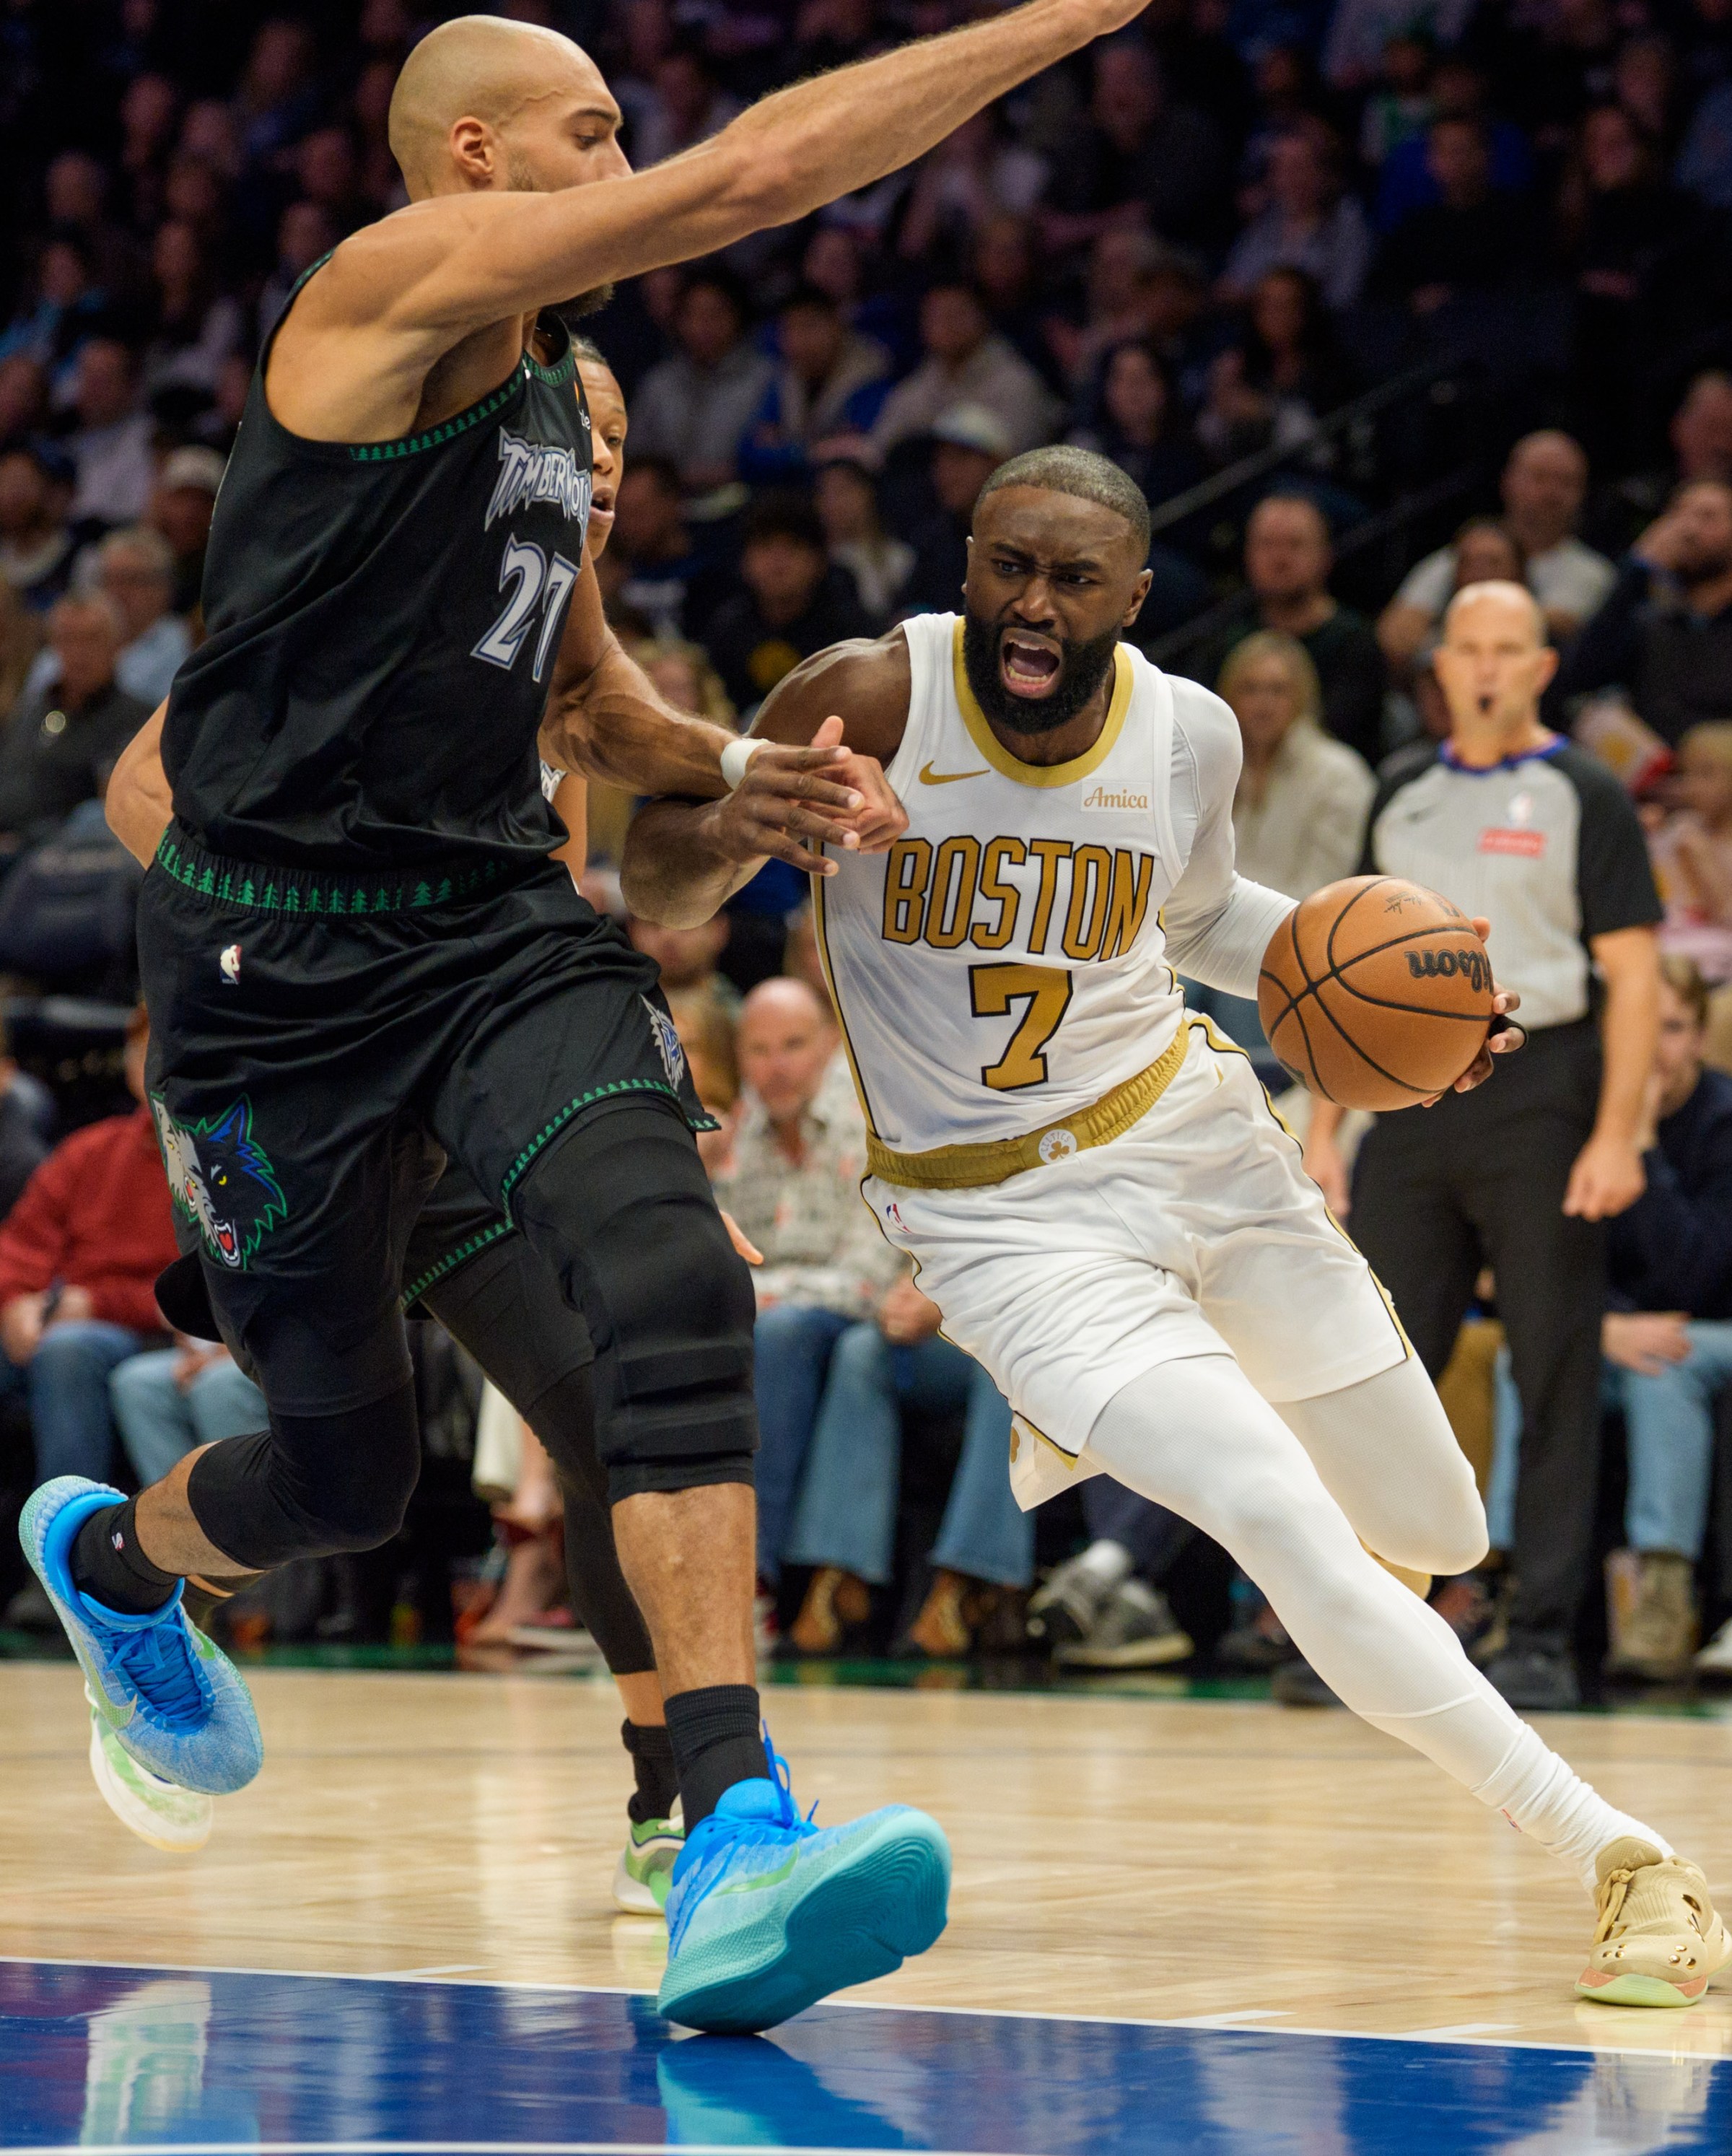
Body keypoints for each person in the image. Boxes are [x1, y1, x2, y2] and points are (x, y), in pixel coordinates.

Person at [28, 3, 1157, 2041]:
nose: (627, 159)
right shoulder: (375, 294)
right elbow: (748, 181)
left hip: (486, 928)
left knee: (667, 1280)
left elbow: (588, 697)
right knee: (347, 1476)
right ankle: (118, 1562)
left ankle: (724, 1828)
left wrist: (745, 757)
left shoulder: (562, 393)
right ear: (475, 161)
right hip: (271, 981)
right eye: (590, 129)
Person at [624, 445, 1724, 2009]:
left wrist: (1424, 988)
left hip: (1195, 1136)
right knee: (1282, 1520)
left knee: (1434, 1530)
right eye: (1008, 563)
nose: (1033, 602)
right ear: (968, 566)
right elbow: (653, 871)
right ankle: (1626, 1856)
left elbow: (1203, 918)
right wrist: (753, 808)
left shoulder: (1188, 732)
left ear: (1133, 600)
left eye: (1074, 579)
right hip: (1006, 1225)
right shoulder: (873, 695)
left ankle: (1177, 1431)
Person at [1306, 580, 1663, 1711]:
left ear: (1542, 666)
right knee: (1374, 1364)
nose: (1492, 667)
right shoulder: (1402, 788)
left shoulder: (1584, 790)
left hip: (1544, 1082)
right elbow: (1341, 962)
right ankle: (1366, 1627)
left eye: (1514, 648)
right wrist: (1324, 1124)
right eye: (1473, 648)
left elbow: (1640, 974)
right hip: (1409, 1097)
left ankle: (1546, 1630)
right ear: (1444, 665)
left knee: (1548, 1366)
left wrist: (1616, 1131)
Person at [1486, 957, 1732, 1681]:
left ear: (1699, 1036)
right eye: (1641, 1028)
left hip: (1710, 1330)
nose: (1657, 1047)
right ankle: (1508, 1578)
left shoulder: (1722, 1122)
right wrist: (1599, 1326)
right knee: (1520, 1355)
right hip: (1613, 1334)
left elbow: (1702, 1274)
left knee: (1668, 1366)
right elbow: (1538, 1257)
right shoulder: (1572, 1121)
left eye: (1675, 1027)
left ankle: (1660, 1591)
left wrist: (1644, 1147)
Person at [710, 977, 902, 1592]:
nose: (776, 1068)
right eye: (759, 1051)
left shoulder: (870, 1118)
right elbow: (718, 1255)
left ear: (829, 1045)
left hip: (875, 1315)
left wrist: (757, 1293)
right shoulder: (740, 1128)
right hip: (781, 1308)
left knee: (782, 1332)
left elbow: (868, 1283)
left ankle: (752, 1578)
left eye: (793, 1045)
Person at [782, 1263, 1035, 1659]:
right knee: (861, 1351)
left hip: (1026, 1324)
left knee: (1007, 1357)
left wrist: (951, 1303)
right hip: (950, 1328)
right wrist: (904, 1294)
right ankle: (841, 1576)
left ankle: (969, 1582)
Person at [0, 1007, 177, 1489]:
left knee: (68, 1352)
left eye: (170, 1051)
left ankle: (67, 1546)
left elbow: (202, 1291)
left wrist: (99, 1304)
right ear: (128, 1066)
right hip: (61, 1310)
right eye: (143, 1052)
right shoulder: (90, 1150)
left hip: (155, 1331)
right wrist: (16, 1300)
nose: (157, 1064)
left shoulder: (218, 1163)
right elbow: (22, 1238)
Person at [1186, 492, 1388, 767]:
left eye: (1295, 545)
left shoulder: (1355, 643)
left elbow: (1342, 735)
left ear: (1325, 556)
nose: (1279, 559)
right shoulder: (1222, 639)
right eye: (1267, 545)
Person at [1380, 435, 1616, 668]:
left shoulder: (1593, 572)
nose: (1551, 493)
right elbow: (1396, 635)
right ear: (1508, 481)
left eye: (1566, 482)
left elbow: (1555, 631)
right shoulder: (1464, 555)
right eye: (1539, 477)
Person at [1549, 479, 1732, 747]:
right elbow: (1579, 677)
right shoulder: (1649, 622)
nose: (1688, 529)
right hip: (1652, 779)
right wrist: (1637, 570)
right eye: (1677, 514)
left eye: (1707, 517)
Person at [702, 494, 876, 715]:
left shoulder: (854, 634)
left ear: (820, 561)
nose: (778, 563)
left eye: (793, 547)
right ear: (744, 562)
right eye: (765, 547)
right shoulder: (726, 629)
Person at [0, 594, 151, 848]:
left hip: (66, 857)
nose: (79, 653)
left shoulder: (138, 721)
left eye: (91, 639)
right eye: (68, 640)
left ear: (117, 645)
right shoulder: (31, 711)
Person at [872, 283, 1061, 461]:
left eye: (956, 315)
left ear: (982, 318)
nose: (947, 325)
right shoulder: (920, 384)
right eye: (937, 316)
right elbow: (881, 449)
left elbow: (1018, 457)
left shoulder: (1015, 382)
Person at [627, 269, 775, 493]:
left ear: (737, 315)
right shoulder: (659, 382)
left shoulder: (765, 378)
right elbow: (636, 453)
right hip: (667, 508)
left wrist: (735, 471)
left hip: (745, 501)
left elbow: (771, 449)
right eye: (693, 315)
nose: (703, 325)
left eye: (714, 314)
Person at [92, 527, 192, 707]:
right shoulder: (73, 639)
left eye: (130, 580)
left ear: (162, 589)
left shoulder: (181, 645)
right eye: (109, 580)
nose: (117, 592)